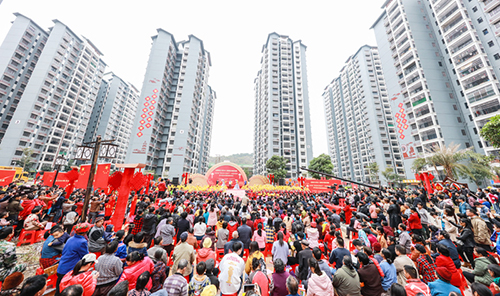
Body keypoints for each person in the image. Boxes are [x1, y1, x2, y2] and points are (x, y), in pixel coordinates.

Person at [56, 223, 90, 296]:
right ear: (85, 232)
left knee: (59, 291)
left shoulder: (70, 239)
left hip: (61, 267)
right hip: (69, 269)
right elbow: (85, 256)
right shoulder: (82, 242)